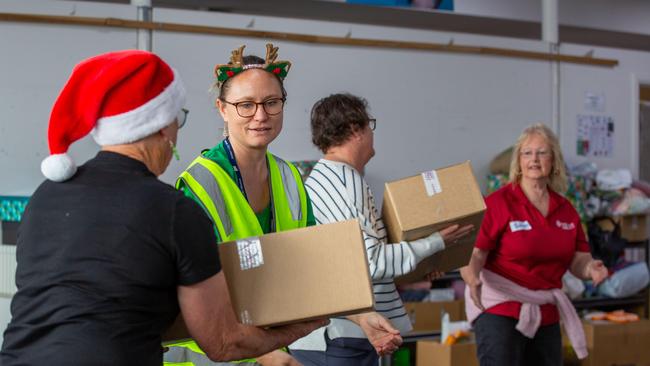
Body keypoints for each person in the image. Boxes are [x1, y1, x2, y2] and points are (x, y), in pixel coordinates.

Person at [0, 50, 326, 366]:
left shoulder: (45, 196)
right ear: (161, 127)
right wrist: (301, 328)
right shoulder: (174, 210)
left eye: (271, 103)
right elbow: (223, 342)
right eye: (177, 121)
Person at [168, 45, 401, 366]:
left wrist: (362, 317)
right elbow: (201, 294)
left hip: (268, 347)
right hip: (212, 357)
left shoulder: (289, 177)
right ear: (222, 109)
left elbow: (307, 271)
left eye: (271, 103)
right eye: (246, 105)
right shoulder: (200, 183)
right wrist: (267, 356)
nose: (261, 115)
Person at [289, 93, 473, 366]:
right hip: (341, 338)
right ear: (355, 129)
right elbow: (371, 262)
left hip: (339, 335)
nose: (372, 135)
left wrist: (416, 269)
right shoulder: (345, 182)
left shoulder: (330, 178)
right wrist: (435, 243)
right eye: (369, 125)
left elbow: (353, 265)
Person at [460, 123, 609, 366]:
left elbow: (578, 259)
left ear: (554, 160)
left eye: (542, 152)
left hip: (545, 313)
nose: (534, 159)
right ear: (518, 161)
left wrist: (591, 268)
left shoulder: (566, 209)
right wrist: (472, 277)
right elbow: (475, 253)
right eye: (527, 153)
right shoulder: (499, 203)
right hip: (500, 309)